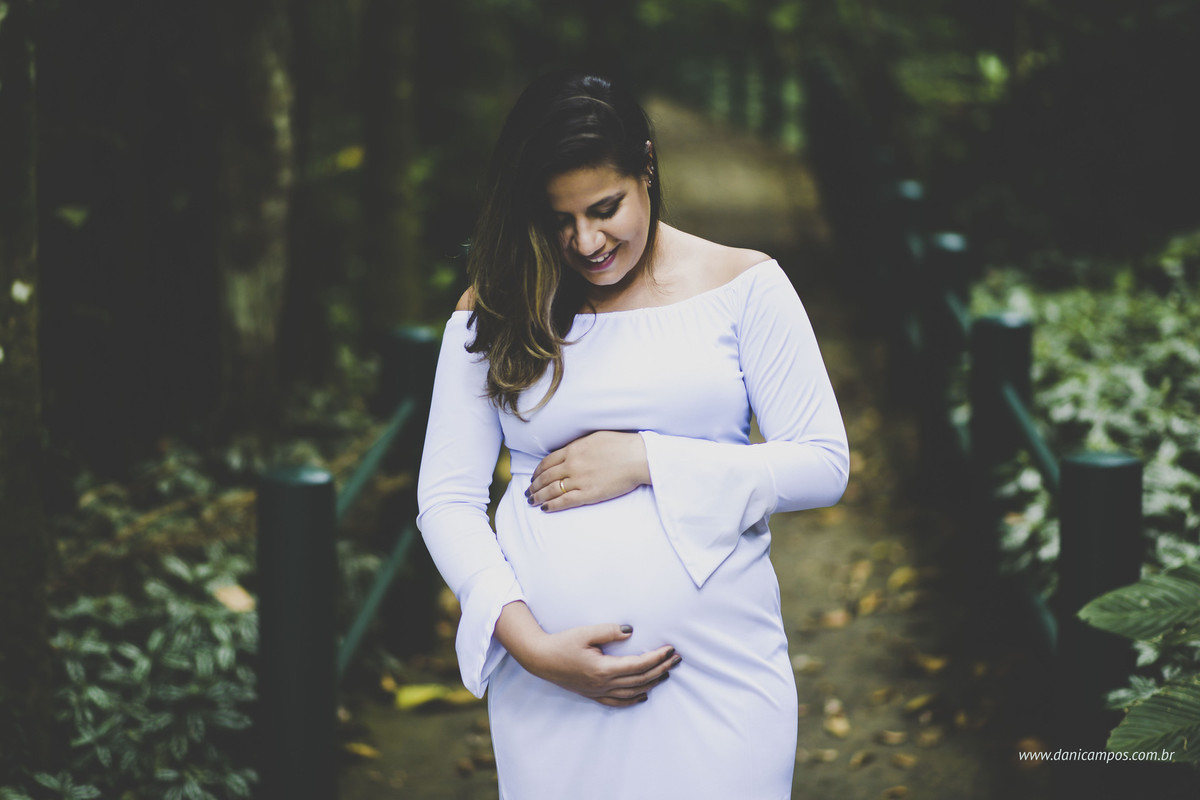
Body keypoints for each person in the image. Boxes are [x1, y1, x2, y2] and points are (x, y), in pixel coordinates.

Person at [416, 70, 849, 799]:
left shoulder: (745, 286)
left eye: (605, 207)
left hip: (720, 680)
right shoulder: (495, 308)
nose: (585, 241)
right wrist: (530, 645)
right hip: (551, 691)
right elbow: (447, 499)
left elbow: (822, 464)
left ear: (646, 166)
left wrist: (646, 459)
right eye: (559, 219)